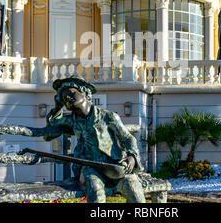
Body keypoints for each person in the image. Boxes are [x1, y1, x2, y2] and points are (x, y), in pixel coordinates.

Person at [29, 75, 146, 203]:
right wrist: (58, 105)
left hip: (115, 166)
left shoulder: (108, 116)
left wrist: (132, 157)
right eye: (63, 97)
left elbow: (127, 138)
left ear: (84, 92)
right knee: (96, 192)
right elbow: (52, 127)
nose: (67, 97)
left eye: (71, 92)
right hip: (90, 168)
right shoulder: (72, 120)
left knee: (134, 190)